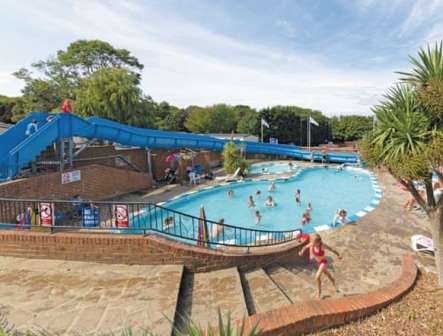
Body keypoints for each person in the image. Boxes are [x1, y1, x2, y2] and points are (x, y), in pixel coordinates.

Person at [298, 234, 341, 299]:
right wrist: (301, 252)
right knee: (327, 274)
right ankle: (333, 282)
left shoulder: (322, 245)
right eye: (313, 242)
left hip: (323, 262)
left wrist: (338, 255)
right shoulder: (312, 244)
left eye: (315, 243)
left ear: (318, 242)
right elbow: (305, 247)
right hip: (318, 263)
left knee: (317, 276)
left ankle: (319, 292)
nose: (313, 244)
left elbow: (332, 249)